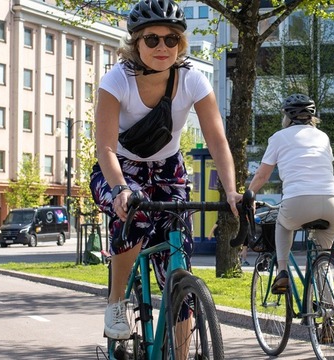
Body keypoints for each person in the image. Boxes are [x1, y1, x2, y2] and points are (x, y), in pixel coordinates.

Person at [91, 0, 242, 341]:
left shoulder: (192, 79)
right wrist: (120, 189)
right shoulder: (117, 80)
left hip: (168, 170)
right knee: (135, 216)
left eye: (171, 39)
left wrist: (231, 191)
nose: (162, 47)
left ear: (180, 44)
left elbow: (218, 142)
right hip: (118, 168)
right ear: (136, 43)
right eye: (152, 39)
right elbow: (105, 148)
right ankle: (117, 301)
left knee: (178, 260)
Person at [247, 94, 334, 295]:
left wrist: (248, 195)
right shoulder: (323, 136)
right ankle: (328, 314)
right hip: (332, 200)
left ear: (287, 117)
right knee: (322, 259)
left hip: (298, 199)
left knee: (283, 225)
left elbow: (262, 174)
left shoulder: (278, 137)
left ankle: (282, 272)